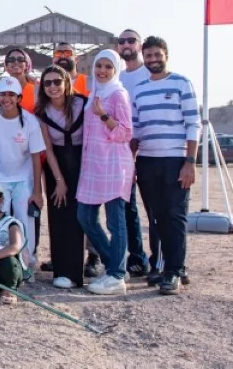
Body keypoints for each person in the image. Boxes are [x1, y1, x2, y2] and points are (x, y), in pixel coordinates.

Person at [130, 36, 198, 294]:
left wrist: (189, 162)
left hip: (175, 160)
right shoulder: (139, 89)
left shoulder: (181, 83)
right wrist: (132, 161)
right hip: (148, 161)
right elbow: (136, 129)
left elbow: (193, 123)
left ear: (166, 55)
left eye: (157, 55)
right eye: (148, 56)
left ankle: (174, 272)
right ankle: (173, 267)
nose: (153, 60)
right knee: (156, 218)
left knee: (174, 217)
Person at [76, 49, 135, 296]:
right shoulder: (95, 93)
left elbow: (125, 133)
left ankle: (116, 276)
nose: (102, 71)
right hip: (93, 164)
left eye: (108, 67)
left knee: (115, 221)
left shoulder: (118, 94)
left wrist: (104, 116)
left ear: (115, 70)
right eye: (99, 66)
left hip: (113, 164)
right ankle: (115, 263)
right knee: (85, 216)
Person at [0, 74, 45, 267]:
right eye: (3, 94)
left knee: (24, 219)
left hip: (23, 178)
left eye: (11, 95)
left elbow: (35, 157)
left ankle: (27, 263)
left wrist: (37, 191)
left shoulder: (30, 122)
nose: (6, 99)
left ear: (19, 98)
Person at [33, 65, 88, 289]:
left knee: (79, 216)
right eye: (48, 83)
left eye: (57, 81)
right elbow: (49, 148)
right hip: (57, 164)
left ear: (66, 82)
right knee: (58, 214)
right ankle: (61, 270)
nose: (53, 87)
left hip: (82, 161)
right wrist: (59, 181)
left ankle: (76, 273)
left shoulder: (82, 104)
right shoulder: (42, 112)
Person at [115, 28, 154, 277]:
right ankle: (137, 256)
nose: (126, 44)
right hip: (124, 151)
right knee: (127, 207)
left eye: (131, 40)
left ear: (139, 45)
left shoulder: (150, 74)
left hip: (150, 151)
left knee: (154, 210)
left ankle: (161, 259)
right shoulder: (118, 77)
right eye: (122, 41)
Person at [0, 48, 37, 112]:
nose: (16, 62)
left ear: (26, 65)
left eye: (20, 59)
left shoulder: (37, 89)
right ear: (6, 66)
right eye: (11, 59)